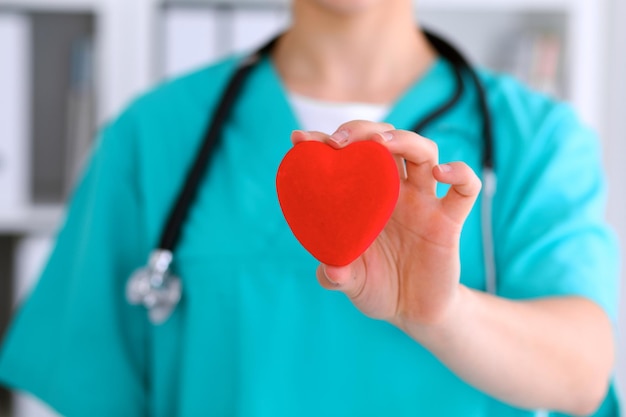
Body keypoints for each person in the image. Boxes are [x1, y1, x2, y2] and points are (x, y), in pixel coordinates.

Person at [0, 0, 620, 415]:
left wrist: (444, 314)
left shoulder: (534, 137)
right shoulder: (152, 135)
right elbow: (91, 383)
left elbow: (583, 372)